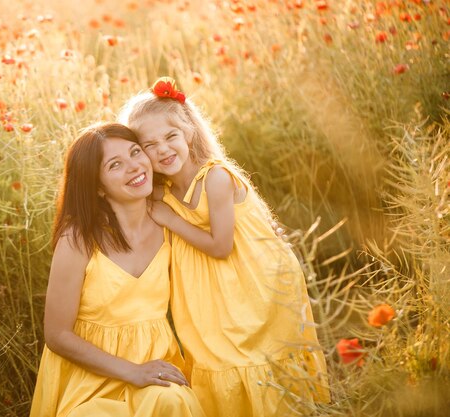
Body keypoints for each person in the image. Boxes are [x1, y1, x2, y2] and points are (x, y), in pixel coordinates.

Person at [118, 77, 330, 417]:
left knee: (250, 355)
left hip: (251, 284)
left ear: (188, 131)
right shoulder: (166, 189)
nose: (162, 150)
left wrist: (170, 219)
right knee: (214, 357)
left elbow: (220, 245)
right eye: (149, 145)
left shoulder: (215, 177)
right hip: (209, 295)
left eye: (170, 136)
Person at [29, 122, 205, 417]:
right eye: (115, 165)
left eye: (136, 152)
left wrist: (265, 233)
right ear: (97, 186)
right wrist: (132, 372)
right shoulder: (79, 238)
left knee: (173, 402)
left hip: (155, 361)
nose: (135, 167)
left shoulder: (170, 220)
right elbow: (57, 334)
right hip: (91, 374)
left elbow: (222, 236)